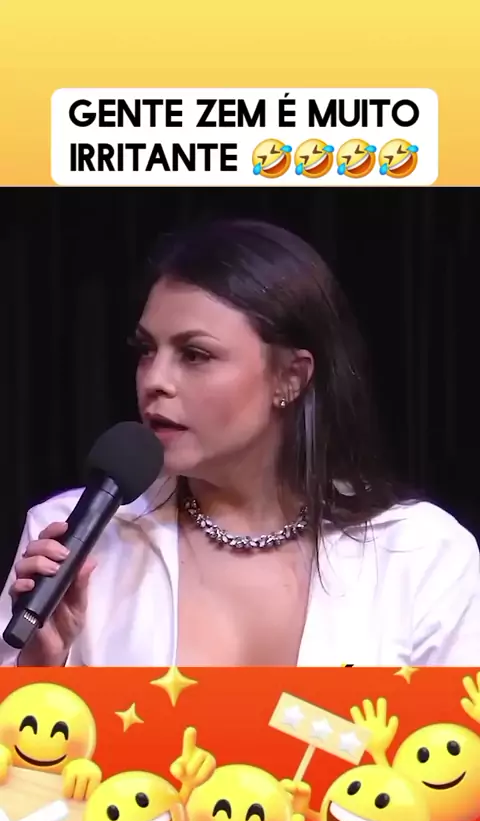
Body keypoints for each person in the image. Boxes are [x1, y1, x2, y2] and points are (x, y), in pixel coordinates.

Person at [0, 218, 479, 667]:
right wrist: (39, 667)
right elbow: (22, 728)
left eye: (195, 354)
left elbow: (451, 731)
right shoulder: (68, 538)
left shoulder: (421, 554)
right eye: (147, 350)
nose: (155, 380)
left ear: (291, 378)